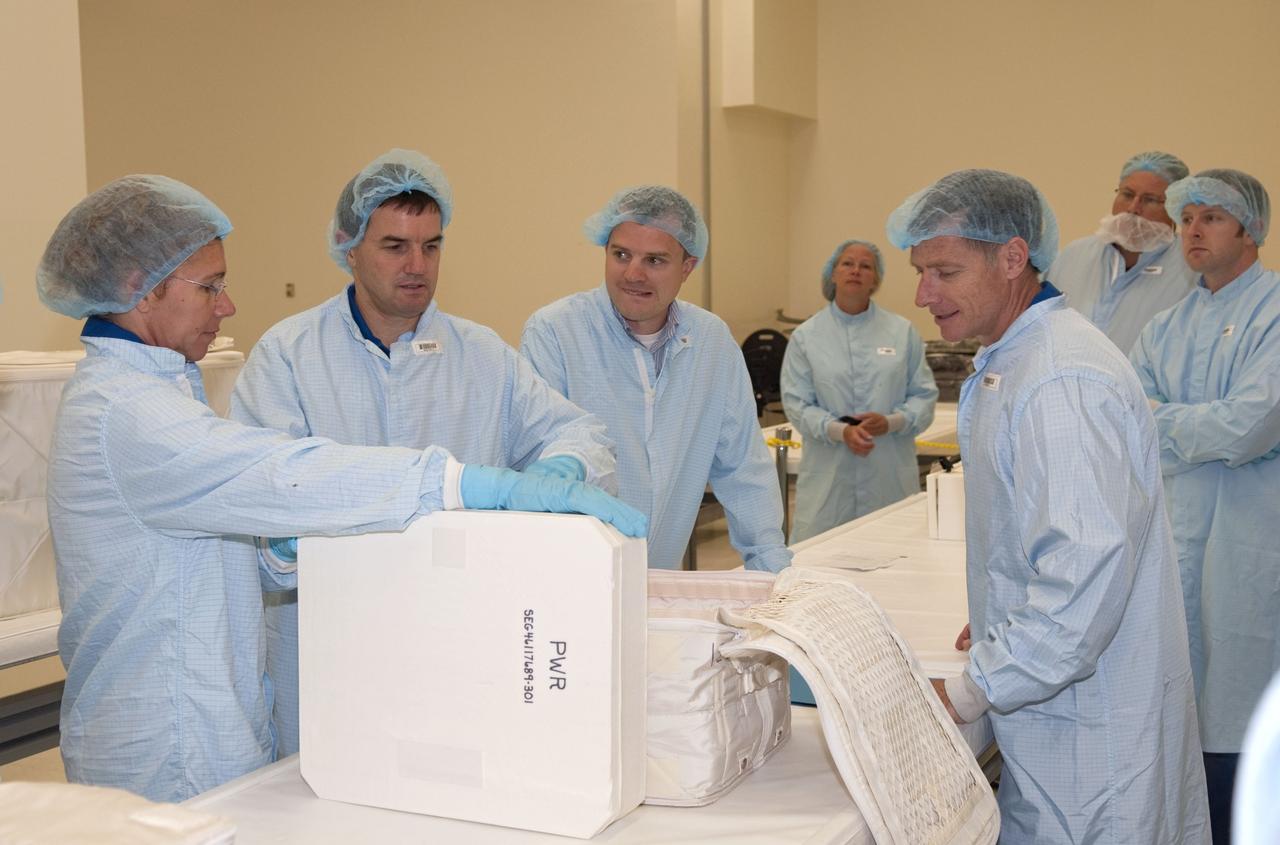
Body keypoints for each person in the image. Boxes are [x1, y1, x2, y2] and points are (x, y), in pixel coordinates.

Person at [37, 175, 645, 803]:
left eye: (431, 246)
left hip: (216, 724)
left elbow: (231, 549)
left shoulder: (159, 391)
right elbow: (280, 474)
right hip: (167, 746)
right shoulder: (130, 414)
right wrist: (465, 481)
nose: (227, 307)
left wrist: (288, 549)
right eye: (211, 286)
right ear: (139, 286)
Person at [230, 149, 617, 757]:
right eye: (394, 246)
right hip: (328, 641)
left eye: (431, 246)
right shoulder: (289, 356)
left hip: (456, 636)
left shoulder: (481, 355)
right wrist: (285, 536)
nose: (417, 266)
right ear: (348, 246)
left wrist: (560, 466)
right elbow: (261, 493)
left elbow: (580, 433)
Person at [886, 169, 1209, 843]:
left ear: (1011, 258)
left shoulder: (1061, 377)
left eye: (943, 271)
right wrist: (1005, 612)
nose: (922, 294)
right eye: (920, 272)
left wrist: (970, 690)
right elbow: (1051, 538)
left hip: (1094, 745)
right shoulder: (1020, 359)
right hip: (1061, 723)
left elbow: (1081, 584)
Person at [521, 186, 790, 572]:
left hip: (660, 577)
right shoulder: (557, 333)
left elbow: (742, 466)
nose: (633, 274)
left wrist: (771, 566)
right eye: (621, 255)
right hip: (567, 576)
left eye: (655, 260)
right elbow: (542, 462)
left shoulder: (710, 341)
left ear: (687, 266)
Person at [1128, 168, 1277, 844]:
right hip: (1174, 542)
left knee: (1243, 724)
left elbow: (1249, 426)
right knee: (1178, 719)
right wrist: (1198, 428)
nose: (1192, 229)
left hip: (1251, 549)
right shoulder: (1164, 326)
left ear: (1249, 231)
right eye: (1188, 217)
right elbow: (1128, 419)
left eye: (1212, 217)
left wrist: (1174, 425)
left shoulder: (1275, 311)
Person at [780, 239, 936, 543]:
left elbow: (924, 396)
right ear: (833, 274)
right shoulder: (806, 337)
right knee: (822, 566)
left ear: (875, 280)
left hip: (888, 477)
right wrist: (840, 431)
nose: (856, 270)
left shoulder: (902, 332)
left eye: (866, 266)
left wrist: (890, 423)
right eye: (847, 263)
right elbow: (797, 404)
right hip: (829, 484)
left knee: (894, 560)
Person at [1047, 150, 1196, 353]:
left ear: (1176, 208)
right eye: (1127, 195)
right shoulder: (1073, 256)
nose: (1133, 208)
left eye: (1150, 199)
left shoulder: (1191, 269)